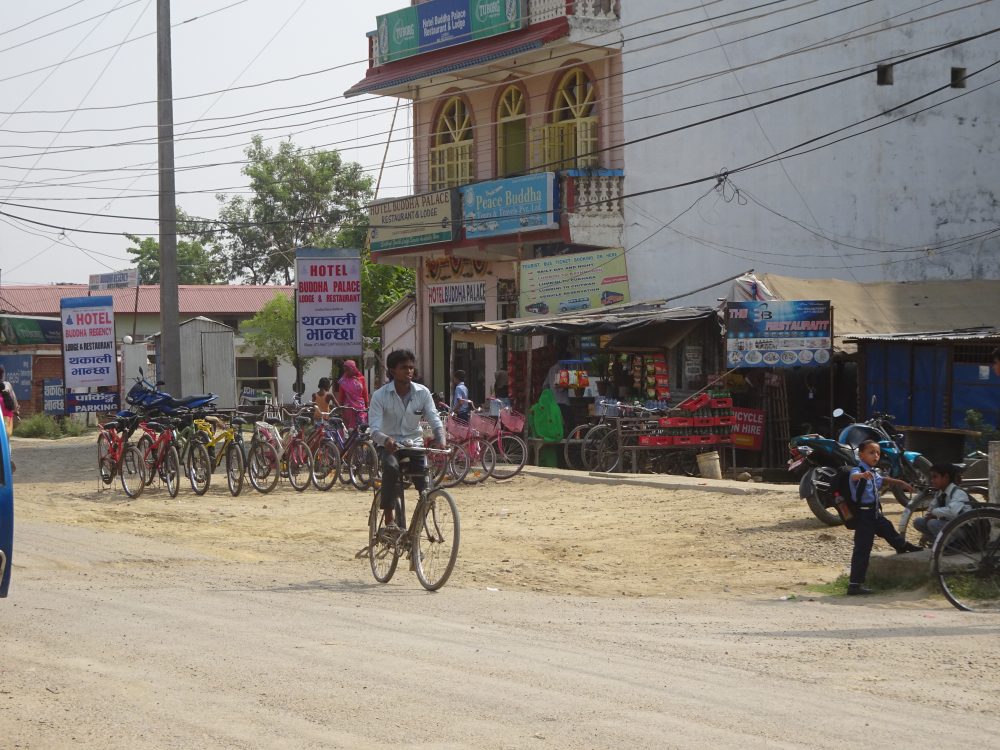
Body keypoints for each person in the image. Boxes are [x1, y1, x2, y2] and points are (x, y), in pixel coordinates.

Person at [369, 350, 445, 529]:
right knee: (391, 467)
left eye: (411, 367)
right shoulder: (380, 396)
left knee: (425, 482)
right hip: (388, 444)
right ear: (392, 371)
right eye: (404, 368)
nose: (409, 371)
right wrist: (385, 440)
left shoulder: (423, 393)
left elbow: (434, 418)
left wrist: (441, 438)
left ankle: (417, 528)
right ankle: (389, 518)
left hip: (414, 444)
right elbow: (374, 428)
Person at [846, 439, 922, 595]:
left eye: (878, 453)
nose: (876, 456)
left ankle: (902, 546)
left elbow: (883, 480)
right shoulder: (857, 469)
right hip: (863, 515)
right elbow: (853, 477)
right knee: (862, 548)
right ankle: (854, 585)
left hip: (874, 512)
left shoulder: (874, 472)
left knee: (887, 528)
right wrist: (862, 475)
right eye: (871, 452)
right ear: (861, 455)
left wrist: (900, 482)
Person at [913, 463, 973, 543]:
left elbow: (953, 512)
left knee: (932, 523)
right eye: (932, 478)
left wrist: (934, 513)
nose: (932, 481)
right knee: (918, 522)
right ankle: (939, 543)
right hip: (949, 526)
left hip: (962, 530)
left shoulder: (958, 493)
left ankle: (953, 545)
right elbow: (931, 508)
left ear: (946, 477)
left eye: (935, 477)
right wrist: (929, 516)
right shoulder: (939, 493)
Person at [541, 352, 571, 435]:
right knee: (565, 423)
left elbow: (544, 385)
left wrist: (550, 394)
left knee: (557, 424)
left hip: (554, 402)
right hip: (562, 402)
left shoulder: (552, 368)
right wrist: (567, 386)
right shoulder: (560, 369)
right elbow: (560, 386)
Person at [336, 359, 369, 429]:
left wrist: (367, 407)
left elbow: (365, 394)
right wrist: (341, 411)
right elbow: (341, 397)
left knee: (362, 429)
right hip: (349, 410)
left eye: (348, 370)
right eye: (345, 370)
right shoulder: (343, 381)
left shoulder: (361, 379)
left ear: (353, 369)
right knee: (350, 431)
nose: (346, 372)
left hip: (361, 409)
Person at [0, 365, 19, 438]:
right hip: (6, 418)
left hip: (5, 417)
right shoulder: (7, 385)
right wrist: (16, 411)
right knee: (6, 437)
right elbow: (14, 402)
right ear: (3, 374)